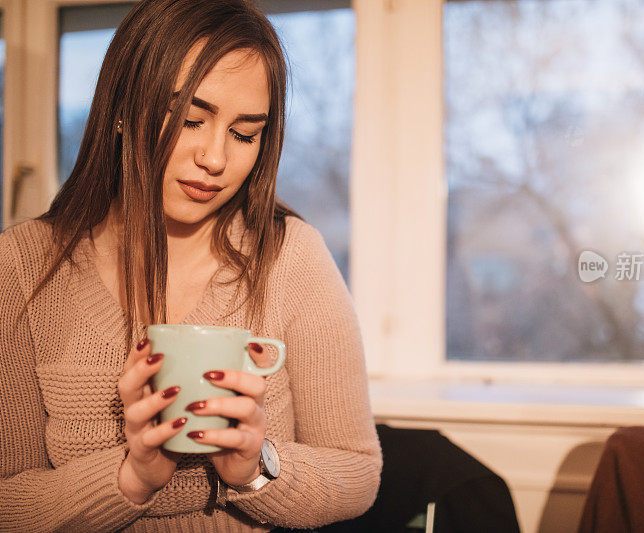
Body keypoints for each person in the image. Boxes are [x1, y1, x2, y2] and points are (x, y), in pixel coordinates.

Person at [0, 0, 381, 531]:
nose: (216, 159)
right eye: (190, 120)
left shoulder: (289, 256)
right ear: (121, 107)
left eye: (245, 133)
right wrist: (131, 477)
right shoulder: (21, 269)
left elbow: (357, 473)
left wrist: (254, 469)